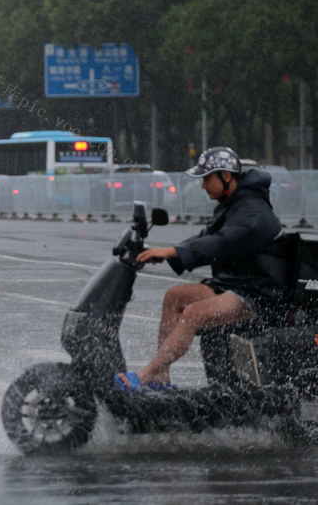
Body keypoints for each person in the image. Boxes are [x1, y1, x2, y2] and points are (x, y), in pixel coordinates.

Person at [116, 146, 288, 392]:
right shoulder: (232, 205)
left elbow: (224, 241)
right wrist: (167, 253)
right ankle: (160, 379)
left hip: (258, 294)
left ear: (226, 176)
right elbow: (205, 236)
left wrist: (174, 253)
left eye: (207, 178)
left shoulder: (253, 210)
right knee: (174, 297)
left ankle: (144, 375)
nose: (203, 185)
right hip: (235, 285)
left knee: (194, 313)